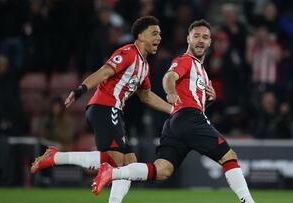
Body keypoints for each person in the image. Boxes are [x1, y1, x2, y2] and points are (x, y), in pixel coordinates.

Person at [92, 19, 255, 203]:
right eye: (196, 36)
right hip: (188, 118)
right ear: (188, 39)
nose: (201, 40)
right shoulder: (185, 60)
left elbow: (192, 101)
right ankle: (248, 201)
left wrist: (210, 100)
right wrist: (170, 91)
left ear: (210, 42)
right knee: (229, 156)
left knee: (162, 170)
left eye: (205, 37)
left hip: (176, 123)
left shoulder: (201, 71)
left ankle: (113, 172)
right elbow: (170, 76)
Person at [30, 16, 173, 203]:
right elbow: (105, 71)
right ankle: (55, 158)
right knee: (116, 161)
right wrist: (81, 89)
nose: (159, 38)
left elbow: (146, 96)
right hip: (104, 107)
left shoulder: (144, 66)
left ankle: (55, 157)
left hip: (115, 112)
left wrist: (173, 109)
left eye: (160, 34)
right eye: (154, 33)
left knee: (129, 162)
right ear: (140, 36)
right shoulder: (128, 52)